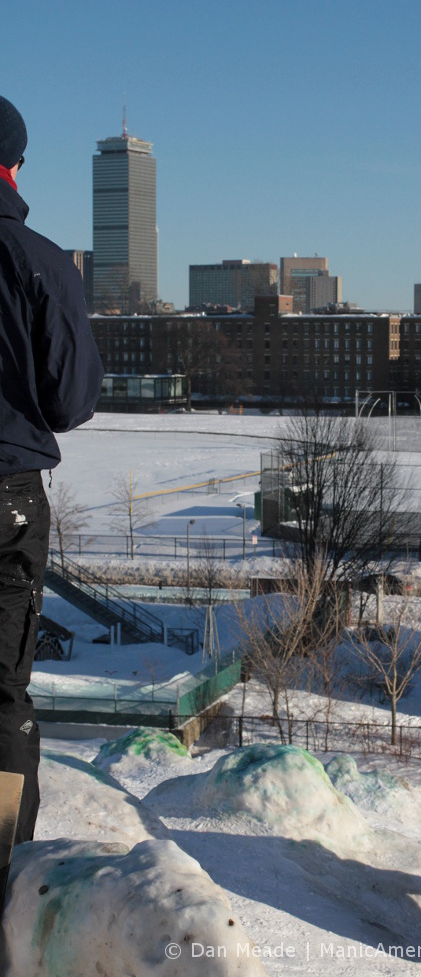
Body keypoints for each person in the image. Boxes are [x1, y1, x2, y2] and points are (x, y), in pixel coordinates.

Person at [0, 95, 103, 843]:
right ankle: (3, 857)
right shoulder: (40, 263)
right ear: (15, 163)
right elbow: (70, 399)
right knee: (2, 695)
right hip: (5, 491)